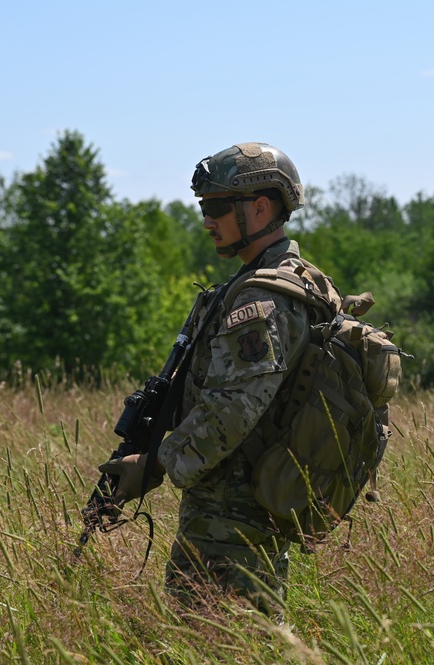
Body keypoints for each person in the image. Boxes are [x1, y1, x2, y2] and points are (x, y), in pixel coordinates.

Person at [98, 142, 312, 618]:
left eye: (216, 206)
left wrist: (154, 464)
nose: (206, 219)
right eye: (203, 207)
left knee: (221, 642)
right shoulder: (255, 285)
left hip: (234, 522)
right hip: (227, 514)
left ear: (260, 208)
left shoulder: (262, 301)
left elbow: (234, 410)